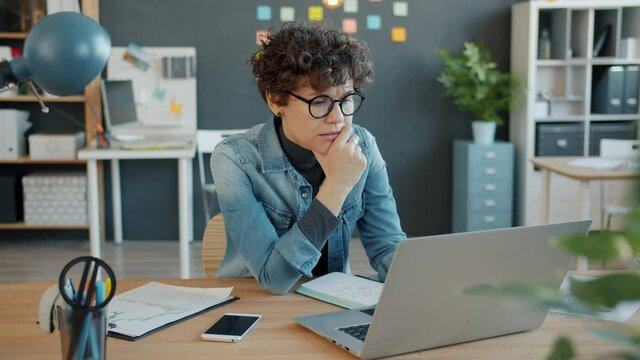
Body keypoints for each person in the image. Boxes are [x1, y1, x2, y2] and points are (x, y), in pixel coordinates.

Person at [211, 21, 405, 294]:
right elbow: (274, 279)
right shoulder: (235, 159)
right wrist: (337, 186)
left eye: (346, 100)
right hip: (254, 302)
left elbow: (386, 245)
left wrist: (420, 282)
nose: (337, 119)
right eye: (320, 102)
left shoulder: (364, 147)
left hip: (332, 300)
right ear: (276, 100)